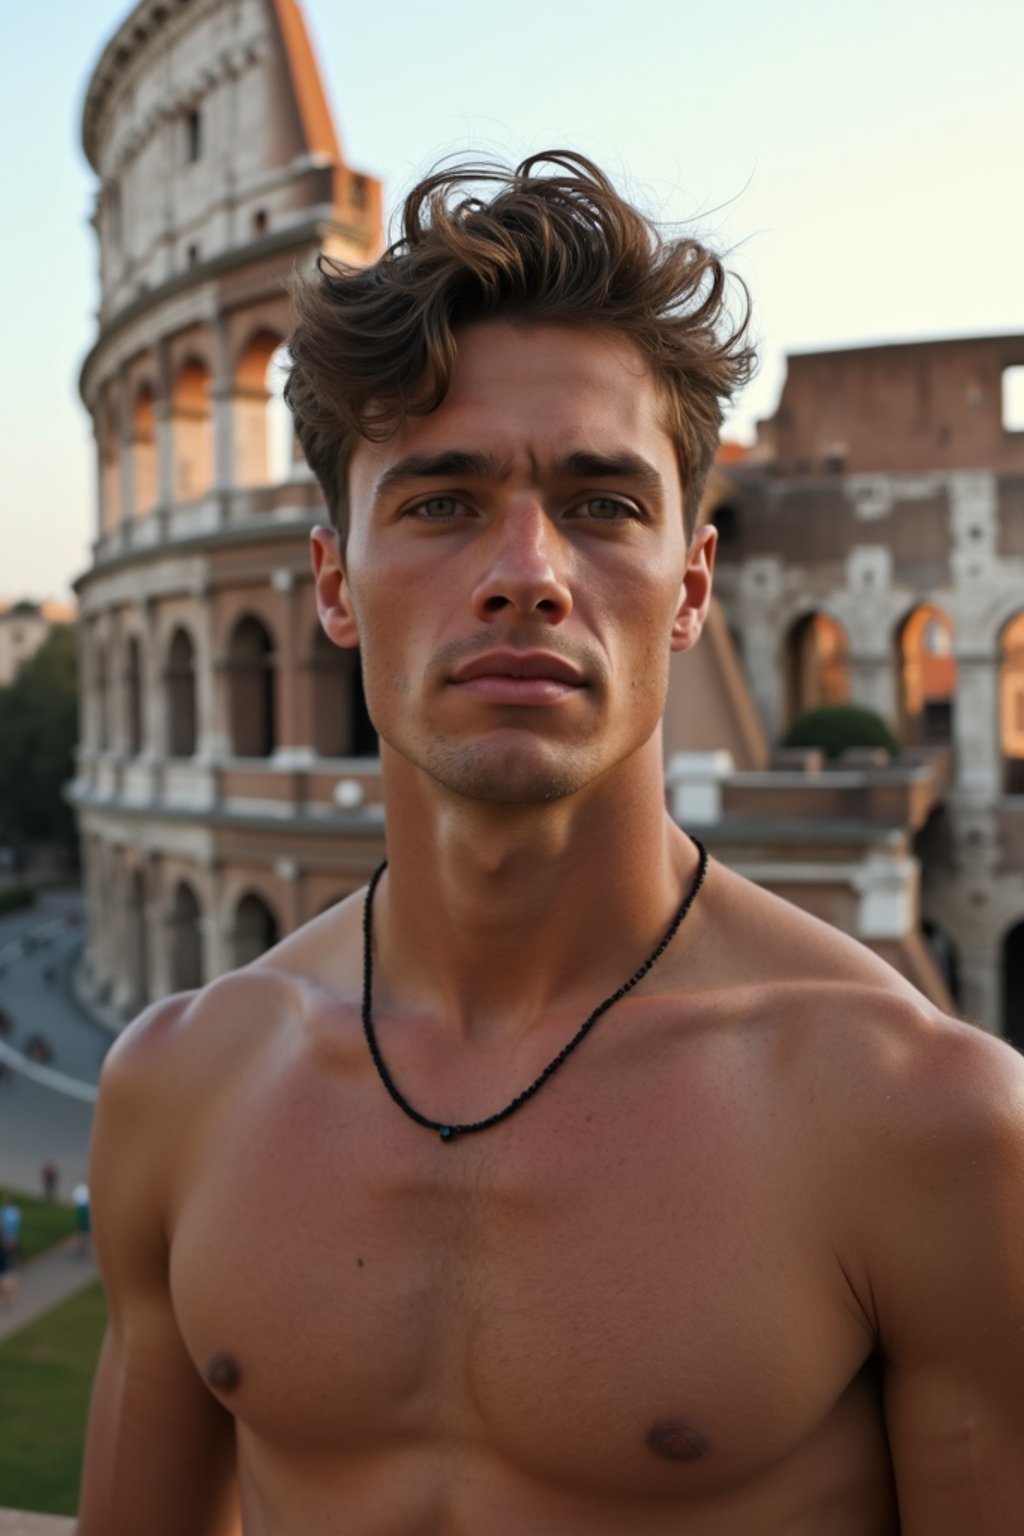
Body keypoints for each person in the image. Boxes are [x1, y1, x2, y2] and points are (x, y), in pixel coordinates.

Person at [77, 153, 1024, 1535]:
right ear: (334, 582)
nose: (528, 569)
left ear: (690, 584)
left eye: (602, 503)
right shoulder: (179, 1087)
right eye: (442, 501)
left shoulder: (927, 1123)